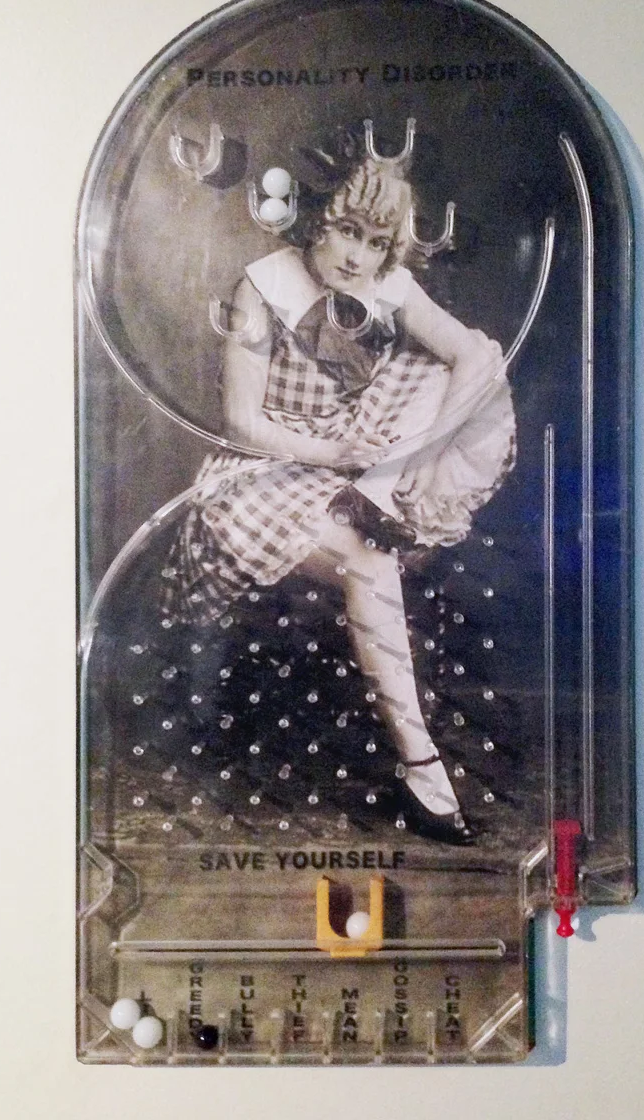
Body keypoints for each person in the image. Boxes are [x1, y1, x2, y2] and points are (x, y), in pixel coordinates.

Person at [161, 145, 516, 844]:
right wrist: (337, 456)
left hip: (355, 460)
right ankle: (422, 766)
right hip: (268, 469)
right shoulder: (263, 286)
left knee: (464, 366)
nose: (358, 256)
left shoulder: (387, 286)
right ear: (316, 218)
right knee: (369, 556)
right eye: (348, 232)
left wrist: (424, 453)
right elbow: (242, 423)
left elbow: (476, 354)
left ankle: (380, 501)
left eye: (377, 242)